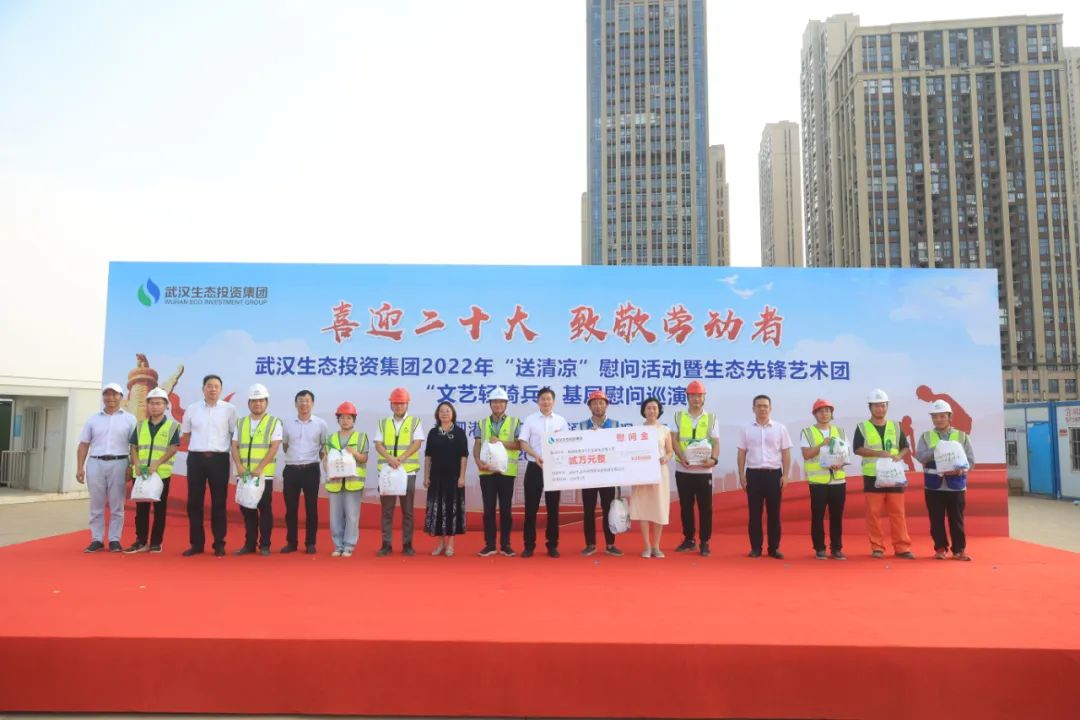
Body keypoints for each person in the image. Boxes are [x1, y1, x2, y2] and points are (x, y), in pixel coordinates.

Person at [853, 388, 915, 559]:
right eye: (876, 406)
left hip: (894, 475)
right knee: (873, 514)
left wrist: (899, 456)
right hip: (872, 476)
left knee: (898, 512)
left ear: (887, 406)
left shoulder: (896, 426)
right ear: (870, 407)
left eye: (883, 405)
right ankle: (877, 547)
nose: (880, 409)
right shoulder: (862, 427)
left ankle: (902, 547)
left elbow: (905, 447)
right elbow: (857, 449)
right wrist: (878, 453)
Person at [76, 382, 137, 552]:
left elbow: (134, 446)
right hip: (95, 462)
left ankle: (114, 540)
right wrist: (80, 468)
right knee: (96, 503)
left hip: (120, 462)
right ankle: (96, 539)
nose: (111, 398)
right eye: (107, 394)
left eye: (115, 394)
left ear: (121, 397)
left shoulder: (130, 419)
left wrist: (131, 466)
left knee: (117, 504)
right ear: (103, 397)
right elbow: (83, 444)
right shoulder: (93, 419)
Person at [180, 374, 237, 557]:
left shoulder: (229, 409)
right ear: (203, 389)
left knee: (219, 502)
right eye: (209, 386)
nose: (213, 389)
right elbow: (186, 435)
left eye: (216, 386)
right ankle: (197, 544)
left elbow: (233, 435)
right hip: (196, 459)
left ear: (221, 389)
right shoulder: (192, 409)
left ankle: (219, 543)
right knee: (194, 502)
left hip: (219, 459)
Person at [916, 400, 976, 561]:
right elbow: (920, 456)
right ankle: (940, 548)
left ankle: (959, 550)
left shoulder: (962, 436)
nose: (938, 419)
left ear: (950, 417)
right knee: (936, 520)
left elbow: (971, 461)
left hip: (956, 486)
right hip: (933, 486)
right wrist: (937, 449)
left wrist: (962, 470)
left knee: (957, 519)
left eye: (942, 416)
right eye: (935, 416)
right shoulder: (926, 436)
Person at [736, 395, 792, 559]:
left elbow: (786, 453)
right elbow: (741, 453)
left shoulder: (780, 428)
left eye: (765, 406)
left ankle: (774, 548)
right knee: (754, 514)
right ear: (753, 409)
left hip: (774, 474)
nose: (762, 409)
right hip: (753, 475)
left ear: (770, 408)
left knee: (774, 514)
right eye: (759, 406)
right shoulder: (745, 428)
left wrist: (786, 474)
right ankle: (756, 548)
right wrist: (741, 474)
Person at [516, 387, 570, 558]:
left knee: (553, 509)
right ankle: (529, 546)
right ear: (538, 401)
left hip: (554, 468)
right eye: (543, 399)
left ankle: (552, 545)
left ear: (553, 401)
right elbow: (523, 443)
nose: (546, 402)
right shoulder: (530, 419)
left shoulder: (561, 421)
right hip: (534, 466)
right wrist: (536, 456)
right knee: (530, 509)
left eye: (549, 399)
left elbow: (567, 443)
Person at [125, 387, 180, 553]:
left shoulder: (172, 426)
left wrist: (157, 464)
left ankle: (156, 542)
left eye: (159, 403)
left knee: (159, 509)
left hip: (160, 474)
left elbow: (173, 448)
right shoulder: (140, 425)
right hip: (141, 473)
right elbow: (133, 447)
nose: (155, 406)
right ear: (147, 405)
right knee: (141, 509)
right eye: (152, 403)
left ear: (166, 405)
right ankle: (141, 541)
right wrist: (136, 464)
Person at [230, 383, 282, 556]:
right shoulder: (241, 422)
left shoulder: (274, 422)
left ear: (266, 402)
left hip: (263, 475)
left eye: (260, 400)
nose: (257, 404)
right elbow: (234, 445)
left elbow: (274, 447)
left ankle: (265, 544)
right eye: (253, 400)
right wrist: (238, 466)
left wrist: (260, 468)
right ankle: (249, 544)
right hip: (244, 474)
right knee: (247, 509)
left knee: (264, 509)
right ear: (248, 403)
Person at [671, 380, 720, 557]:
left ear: (704, 397)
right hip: (683, 469)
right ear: (687, 397)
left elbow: (716, 442)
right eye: (693, 395)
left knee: (705, 508)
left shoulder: (711, 418)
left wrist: (713, 459)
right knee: (686, 507)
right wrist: (682, 456)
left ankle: (705, 541)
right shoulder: (678, 416)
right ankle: (689, 539)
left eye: (699, 396)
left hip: (704, 470)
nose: (696, 399)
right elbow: (674, 440)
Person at [472, 387, 521, 557]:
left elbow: (518, 445)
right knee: (488, 510)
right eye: (494, 402)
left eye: (501, 402)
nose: (498, 404)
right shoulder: (482, 423)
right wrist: (477, 461)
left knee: (506, 510)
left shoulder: (515, 422)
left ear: (506, 404)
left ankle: (506, 544)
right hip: (486, 472)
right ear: (490, 404)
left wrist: (500, 441)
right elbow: (477, 444)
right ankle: (490, 545)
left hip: (506, 473)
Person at [374, 387, 423, 557]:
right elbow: (378, 444)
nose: (399, 406)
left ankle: (407, 545)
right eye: (396, 403)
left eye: (402, 403)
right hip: (387, 472)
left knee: (407, 511)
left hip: (407, 472)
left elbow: (417, 443)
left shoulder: (415, 422)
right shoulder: (383, 423)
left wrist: (400, 458)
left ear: (407, 404)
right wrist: (390, 458)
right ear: (391, 405)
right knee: (387, 511)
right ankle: (386, 544)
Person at [281, 389, 328, 555]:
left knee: (311, 508)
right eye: (301, 401)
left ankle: (310, 543)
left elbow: (324, 446)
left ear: (312, 403)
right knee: (291, 509)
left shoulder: (321, 424)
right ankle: (291, 542)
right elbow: (285, 445)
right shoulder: (287, 423)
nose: (304, 404)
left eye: (307, 401)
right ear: (296, 404)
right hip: (291, 469)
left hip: (311, 469)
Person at [800, 398, 847, 560]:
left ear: (831, 413)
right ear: (815, 414)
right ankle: (819, 548)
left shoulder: (840, 431)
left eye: (827, 411)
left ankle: (836, 548)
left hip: (838, 481)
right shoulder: (807, 432)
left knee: (837, 516)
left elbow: (845, 454)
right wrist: (821, 445)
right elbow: (806, 454)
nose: (824, 414)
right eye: (821, 411)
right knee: (818, 516)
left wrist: (839, 463)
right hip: (818, 482)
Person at [579, 390, 623, 556]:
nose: (598, 406)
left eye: (601, 403)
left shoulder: (615, 425)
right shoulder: (582, 426)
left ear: (606, 405)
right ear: (589, 407)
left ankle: (610, 544)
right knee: (588, 510)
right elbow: (577, 449)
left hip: (609, 475)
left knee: (609, 509)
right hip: (589, 474)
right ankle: (590, 544)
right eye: (594, 403)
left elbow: (621, 449)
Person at [629, 397, 673, 558]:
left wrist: (666, 458)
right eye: (648, 408)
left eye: (655, 408)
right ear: (644, 411)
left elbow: (670, 451)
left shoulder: (665, 430)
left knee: (659, 508)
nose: (652, 411)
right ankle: (647, 546)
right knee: (644, 508)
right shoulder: (637, 431)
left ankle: (656, 546)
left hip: (660, 472)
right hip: (642, 474)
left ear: (659, 410)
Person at [424, 401, 469, 556]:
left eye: (447, 411)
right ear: (437, 414)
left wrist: (462, 476)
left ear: (453, 414)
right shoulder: (433, 432)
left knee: (451, 509)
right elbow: (428, 456)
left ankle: (450, 545)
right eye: (441, 411)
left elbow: (464, 456)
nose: (444, 413)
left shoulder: (459, 432)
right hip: (436, 478)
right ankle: (440, 544)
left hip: (454, 478)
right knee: (438, 510)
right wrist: (426, 476)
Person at [324, 402, 368, 558]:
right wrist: (328, 469)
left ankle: (349, 546)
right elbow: (325, 459)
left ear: (354, 419)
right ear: (338, 419)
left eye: (349, 418)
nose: (345, 421)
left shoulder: (361, 437)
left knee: (351, 516)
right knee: (335, 517)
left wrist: (354, 453)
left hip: (353, 483)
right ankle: (338, 545)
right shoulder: (330, 438)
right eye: (342, 417)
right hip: (335, 483)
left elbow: (364, 458)